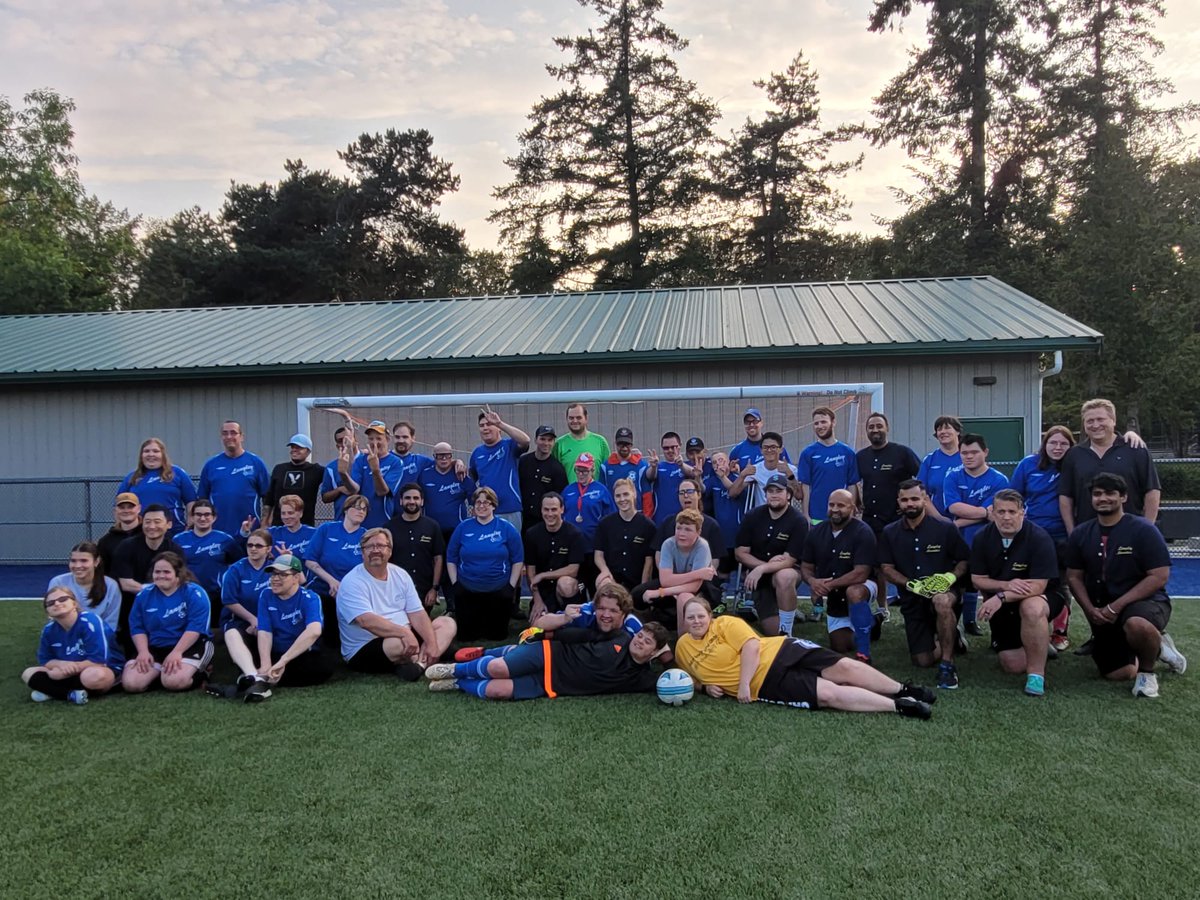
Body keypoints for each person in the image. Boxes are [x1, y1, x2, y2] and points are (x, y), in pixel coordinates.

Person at [674, 599, 933, 719]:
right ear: (683, 622)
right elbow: (688, 679)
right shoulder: (682, 648)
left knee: (841, 667)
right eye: (690, 617)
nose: (696, 621)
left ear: (710, 616)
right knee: (829, 694)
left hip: (780, 650)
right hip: (766, 683)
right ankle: (900, 706)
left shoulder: (725, 623)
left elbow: (751, 646)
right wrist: (705, 687)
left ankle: (904, 689)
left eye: (700, 616)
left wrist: (742, 684)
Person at [1065, 473, 1186, 699]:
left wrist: (1116, 606)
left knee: (1137, 625)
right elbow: (1074, 577)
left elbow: (1159, 576)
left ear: (1123, 497)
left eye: (1110, 493)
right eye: (1097, 494)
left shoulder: (1143, 530)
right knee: (1119, 673)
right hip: (1103, 609)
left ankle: (1148, 673)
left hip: (1143, 603)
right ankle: (1157, 645)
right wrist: (1090, 609)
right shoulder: (1081, 533)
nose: (1103, 498)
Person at [877, 479, 970, 689]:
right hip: (913, 599)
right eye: (904, 500)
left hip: (946, 592)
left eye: (915, 499)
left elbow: (964, 560)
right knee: (922, 661)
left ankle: (947, 666)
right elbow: (886, 567)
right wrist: (911, 585)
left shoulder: (945, 529)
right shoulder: (890, 532)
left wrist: (950, 578)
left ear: (925, 499)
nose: (910, 504)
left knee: (941, 602)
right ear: (898, 502)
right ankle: (952, 636)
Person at [423, 622, 669, 700]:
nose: (638, 641)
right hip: (551, 653)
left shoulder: (643, 677)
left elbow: (673, 681)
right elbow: (579, 634)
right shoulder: (619, 636)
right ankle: (455, 668)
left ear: (654, 652)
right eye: (640, 636)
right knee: (498, 668)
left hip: (552, 685)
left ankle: (458, 682)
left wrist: (703, 686)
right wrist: (544, 634)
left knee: (495, 690)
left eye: (647, 642)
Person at [970, 489, 1063, 697]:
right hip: (1005, 600)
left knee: (1031, 607)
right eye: (1001, 512)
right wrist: (1007, 585)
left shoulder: (1039, 537)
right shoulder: (982, 537)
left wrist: (1000, 597)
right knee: (1012, 666)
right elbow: (977, 579)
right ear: (992, 513)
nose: (1006, 517)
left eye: (1012, 512)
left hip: (1043, 597)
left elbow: (1038, 586)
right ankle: (1039, 642)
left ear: (1023, 512)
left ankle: (1036, 676)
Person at [208, 554, 331, 701]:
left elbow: (314, 631)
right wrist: (266, 663)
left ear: (296, 578)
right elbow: (265, 631)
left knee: (321, 668)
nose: (275, 578)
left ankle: (252, 683)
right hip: (274, 651)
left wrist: (283, 661)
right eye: (273, 574)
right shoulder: (266, 595)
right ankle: (258, 679)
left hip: (298, 653)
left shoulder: (310, 598)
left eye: (282, 575)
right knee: (234, 634)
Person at [338, 528, 458, 678]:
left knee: (447, 623)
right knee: (398, 644)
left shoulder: (400, 574)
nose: (375, 550)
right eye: (369, 547)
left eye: (381, 546)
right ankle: (430, 657)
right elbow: (366, 621)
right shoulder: (352, 581)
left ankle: (419, 665)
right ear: (362, 553)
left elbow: (418, 613)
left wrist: (431, 643)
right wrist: (405, 633)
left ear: (390, 551)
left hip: (404, 634)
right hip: (366, 646)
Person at [1010, 426, 1075, 650]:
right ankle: (1033, 630)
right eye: (1053, 443)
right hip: (1033, 536)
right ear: (1045, 444)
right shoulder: (1028, 464)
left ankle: (1059, 633)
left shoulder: (1074, 465)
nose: (1058, 448)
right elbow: (1014, 496)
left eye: (1063, 444)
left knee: (1062, 584)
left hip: (1063, 536)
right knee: (1032, 583)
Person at [1059, 399, 1161, 532]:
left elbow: (1152, 490)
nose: (1095, 425)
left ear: (1113, 420)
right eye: (1089, 421)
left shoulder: (1135, 449)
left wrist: (1147, 529)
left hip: (1130, 532)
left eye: (1101, 419)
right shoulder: (1074, 455)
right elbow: (1065, 497)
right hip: (1088, 534)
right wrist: (1072, 531)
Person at [943, 433, 1010, 636]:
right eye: (964, 453)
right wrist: (983, 513)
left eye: (974, 452)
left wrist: (960, 522)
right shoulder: (953, 476)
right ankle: (956, 627)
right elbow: (954, 506)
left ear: (985, 452)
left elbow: (995, 512)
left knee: (986, 585)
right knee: (958, 584)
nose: (968, 456)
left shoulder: (999, 479)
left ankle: (991, 630)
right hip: (958, 542)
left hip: (988, 541)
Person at [801, 489, 878, 660]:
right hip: (835, 595)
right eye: (832, 505)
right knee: (840, 646)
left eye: (841, 505)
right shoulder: (816, 532)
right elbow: (805, 566)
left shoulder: (863, 532)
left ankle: (863, 653)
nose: (835, 509)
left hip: (864, 586)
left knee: (854, 592)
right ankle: (870, 624)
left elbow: (861, 574)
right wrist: (813, 582)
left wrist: (828, 585)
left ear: (852, 508)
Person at [121, 552, 214, 693]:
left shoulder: (194, 593)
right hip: (156, 646)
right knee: (131, 684)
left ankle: (203, 672)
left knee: (174, 682)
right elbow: (137, 627)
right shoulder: (144, 595)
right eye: (157, 572)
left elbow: (195, 628)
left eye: (166, 572)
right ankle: (160, 672)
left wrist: (177, 652)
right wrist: (143, 652)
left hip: (189, 645)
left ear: (178, 574)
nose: (161, 575)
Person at [22, 586, 124, 704]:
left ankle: (53, 691)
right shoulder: (48, 630)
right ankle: (70, 695)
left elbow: (99, 660)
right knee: (28, 673)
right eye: (50, 603)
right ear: (48, 612)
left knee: (93, 676)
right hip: (69, 671)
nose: (57, 603)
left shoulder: (90, 621)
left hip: (103, 668)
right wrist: (62, 664)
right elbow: (45, 660)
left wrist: (65, 672)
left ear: (74, 603)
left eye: (63, 599)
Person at [734, 473, 807, 636]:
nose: (774, 495)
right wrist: (764, 567)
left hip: (786, 572)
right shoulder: (752, 516)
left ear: (788, 495)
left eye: (779, 491)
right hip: (760, 579)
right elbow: (740, 553)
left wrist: (762, 568)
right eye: (770, 491)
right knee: (771, 632)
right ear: (765, 494)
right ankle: (785, 612)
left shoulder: (798, 521)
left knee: (784, 576)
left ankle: (787, 631)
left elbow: (789, 560)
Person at [446, 486, 524, 641]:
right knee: (467, 637)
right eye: (478, 502)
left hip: (498, 589)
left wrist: (510, 587)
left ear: (494, 505)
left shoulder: (506, 528)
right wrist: (456, 584)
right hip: (468, 589)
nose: (481, 506)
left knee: (497, 636)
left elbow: (517, 559)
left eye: (486, 502)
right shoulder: (463, 528)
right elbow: (451, 557)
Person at [110, 504, 185, 651]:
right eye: (147, 522)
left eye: (157, 521)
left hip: (166, 603)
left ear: (168, 524)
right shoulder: (127, 546)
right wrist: (155, 589)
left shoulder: (175, 550)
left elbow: (177, 582)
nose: (152, 526)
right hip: (132, 604)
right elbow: (126, 584)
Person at [633, 508, 721, 632]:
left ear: (698, 532)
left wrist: (660, 592)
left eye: (688, 529)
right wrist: (698, 573)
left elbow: (694, 586)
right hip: (673, 583)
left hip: (700, 587)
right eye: (678, 528)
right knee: (638, 594)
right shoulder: (668, 544)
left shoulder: (703, 546)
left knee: (684, 597)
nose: (681, 533)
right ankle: (646, 623)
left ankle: (683, 639)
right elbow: (665, 580)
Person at [305, 493, 370, 648]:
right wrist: (331, 581)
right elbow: (309, 560)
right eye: (356, 507)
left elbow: (368, 568)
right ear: (346, 510)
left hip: (352, 591)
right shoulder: (327, 529)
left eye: (364, 509)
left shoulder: (366, 536)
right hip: (323, 588)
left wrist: (346, 586)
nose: (360, 511)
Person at [175, 497, 249, 628]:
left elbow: (240, 563)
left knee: (214, 631)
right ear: (191, 517)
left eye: (207, 514)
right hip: (186, 594)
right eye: (198, 514)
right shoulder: (179, 540)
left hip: (216, 596)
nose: (202, 518)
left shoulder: (225, 540)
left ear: (214, 517)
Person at [197, 420, 270, 536]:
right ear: (221, 437)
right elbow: (202, 500)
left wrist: (264, 524)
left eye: (233, 433)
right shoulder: (211, 465)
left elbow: (268, 498)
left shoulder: (255, 463)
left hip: (250, 530)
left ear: (241, 437)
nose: (229, 436)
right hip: (218, 531)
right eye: (225, 433)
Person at [857, 412, 922, 537]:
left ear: (887, 428)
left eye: (879, 426)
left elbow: (923, 478)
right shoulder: (860, 457)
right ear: (866, 431)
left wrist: (911, 502)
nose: (875, 430)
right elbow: (853, 482)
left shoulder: (903, 453)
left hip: (897, 521)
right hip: (869, 524)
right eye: (871, 427)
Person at [524, 492, 586, 621]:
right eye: (546, 509)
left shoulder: (574, 534)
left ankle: (571, 617)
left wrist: (543, 575)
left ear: (562, 509)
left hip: (567, 590)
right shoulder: (532, 534)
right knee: (537, 629)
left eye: (554, 509)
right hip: (543, 590)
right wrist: (537, 600)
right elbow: (531, 571)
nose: (550, 514)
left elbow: (573, 570)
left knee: (565, 583)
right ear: (541, 510)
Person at [116, 437, 197, 533]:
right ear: (141, 456)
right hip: (140, 532)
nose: (151, 454)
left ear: (163, 454)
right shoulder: (132, 477)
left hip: (174, 530)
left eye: (155, 451)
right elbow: (117, 505)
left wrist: (190, 521)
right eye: (146, 451)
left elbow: (191, 500)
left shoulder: (177, 473)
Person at [385, 483, 445, 611]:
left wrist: (434, 589)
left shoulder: (432, 526)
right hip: (396, 590)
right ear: (401, 501)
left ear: (422, 501)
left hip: (424, 590)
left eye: (416, 498)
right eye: (407, 498)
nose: (412, 501)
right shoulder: (389, 527)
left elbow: (438, 559)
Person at [219, 527, 274, 666]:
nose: (253, 549)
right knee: (236, 636)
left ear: (268, 549)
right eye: (250, 545)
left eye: (258, 545)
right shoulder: (236, 569)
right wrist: (252, 619)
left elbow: (300, 582)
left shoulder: (275, 567)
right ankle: (249, 674)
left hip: (269, 618)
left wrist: (288, 559)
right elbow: (228, 600)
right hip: (239, 620)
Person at [469, 407, 531, 529]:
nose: (485, 428)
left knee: (511, 546)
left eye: (489, 424)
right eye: (482, 426)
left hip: (510, 509)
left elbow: (525, 441)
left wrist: (500, 423)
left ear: (499, 429)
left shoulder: (509, 446)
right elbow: (472, 480)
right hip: (487, 511)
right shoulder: (477, 453)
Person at [797, 407, 859, 523]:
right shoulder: (808, 453)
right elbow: (805, 486)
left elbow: (852, 485)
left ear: (833, 422)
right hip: (816, 516)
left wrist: (851, 512)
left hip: (842, 515)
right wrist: (806, 514)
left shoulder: (847, 452)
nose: (820, 426)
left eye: (823, 422)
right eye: (816, 423)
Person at [593, 478, 657, 591]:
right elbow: (598, 555)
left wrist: (641, 589)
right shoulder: (605, 524)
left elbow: (649, 563)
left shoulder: (648, 526)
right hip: (611, 581)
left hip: (635, 583)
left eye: (626, 494)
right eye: (618, 496)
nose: (622, 499)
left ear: (634, 494)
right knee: (602, 581)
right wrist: (606, 572)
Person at [47, 540, 121, 632]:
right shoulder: (58, 582)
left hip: (99, 635)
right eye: (73, 561)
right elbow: (53, 617)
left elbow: (111, 623)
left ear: (96, 562)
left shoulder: (111, 586)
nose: (78, 566)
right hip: (66, 634)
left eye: (84, 561)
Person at [347, 420, 405, 529]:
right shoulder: (360, 460)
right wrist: (343, 474)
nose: (374, 442)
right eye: (371, 438)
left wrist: (375, 469)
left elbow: (382, 491)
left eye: (379, 438)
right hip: (361, 519)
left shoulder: (395, 462)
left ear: (387, 440)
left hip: (382, 520)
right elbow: (354, 489)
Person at [418, 441, 476, 541]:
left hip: (457, 529)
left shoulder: (461, 474)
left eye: (447, 455)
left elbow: (475, 499)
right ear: (434, 456)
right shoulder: (424, 475)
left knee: (454, 556)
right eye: (440, 456)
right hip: (432, 529)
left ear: (451, 456)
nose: (444, 459)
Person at [263, 433, 324, 526]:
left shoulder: (316, 470)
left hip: (305, 526)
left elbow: (333, 478)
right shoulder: (279, 469)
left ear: (308, 451)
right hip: (279, 525)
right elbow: (269, 499)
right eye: (292, 447)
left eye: (299, 447)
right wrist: (264, 522)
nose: (294, 450)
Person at [727, 431, 799, 510]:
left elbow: (799, 496)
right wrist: (742, 475)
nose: (769, 450)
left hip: (785, 516)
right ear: (761, 450)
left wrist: (790, 475)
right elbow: (732, 493)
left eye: (773, 447)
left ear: (781, 449)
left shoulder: (790, 469)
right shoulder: (755, 469)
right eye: (765, 447)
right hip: (762, 516)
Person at [644, 432, 702, 526]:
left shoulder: (688, 465)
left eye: (673, 447)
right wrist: (654, 466)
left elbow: (693, 473)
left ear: (679, 446)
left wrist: (681, 465)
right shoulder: (658, 466)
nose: (670, 450)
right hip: (661, 521)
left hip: (685, 520)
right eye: (666, 448)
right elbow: (649, 476)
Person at [518, 425, 569, 532]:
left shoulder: (557, 469)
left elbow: (560, 498)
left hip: (544, 522)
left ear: (554, 442)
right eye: (542, 439)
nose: (546, 443)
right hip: (522, 519)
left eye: (550, 440)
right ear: (536, 440)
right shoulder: (523, 462)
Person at [704, 451, 743, 577]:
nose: (717, 464)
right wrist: (698, 477)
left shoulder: (737, 478)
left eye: (721, 460)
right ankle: (721, 594)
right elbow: (702, 490)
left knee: (742, 570)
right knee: (722, 571)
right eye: (714, 462)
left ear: (728, 462)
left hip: (738, 532)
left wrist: (723, 477)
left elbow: (734, 491)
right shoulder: (712, 481)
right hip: (722, 535)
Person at [917, 415, 963, 521]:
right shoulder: (930, 460)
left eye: (947, 428)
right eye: (939, 429)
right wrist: (939, 519)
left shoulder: (968, 457)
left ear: (957, 432)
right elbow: (922, 493)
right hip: (936, 521)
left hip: (967, 522)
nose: (943, 432)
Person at [560, 452, 616, 540]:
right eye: (578, 470)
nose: (581, 474)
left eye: (585, 471)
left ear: (592, 470)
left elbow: (611, 517)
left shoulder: (601, 490)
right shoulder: (568, 490)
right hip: (570, 542)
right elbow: (560, 514)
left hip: (593, 542)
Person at [553, 402, 610, 482]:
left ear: (586, 418)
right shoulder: (559, 444)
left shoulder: (600, 442)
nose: (575, 421)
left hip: (595, 493)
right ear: (567, 419)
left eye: (578, 417)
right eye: (571, 418)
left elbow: (607, 472)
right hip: (569, 493)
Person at [268, 494, 318, 571]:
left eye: (290, 513)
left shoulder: (314, 533)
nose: (286, 517)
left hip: (306, 579)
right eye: (283, 513)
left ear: (300, 513)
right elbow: (253, 541)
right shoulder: (273, 532)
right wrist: (246, 532)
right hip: (281, 577)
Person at [96, 492, 142, 574]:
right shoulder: (106, 541)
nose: (126, 510)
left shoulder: (149, 535)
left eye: (130, 507)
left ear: (139, 509)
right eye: (122, 507)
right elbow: (103, 572)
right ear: (115, 510)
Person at [320, 426, 357, 520]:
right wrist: (339, 490)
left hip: (368, 519)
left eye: (347, 438)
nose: (345, 442)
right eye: (340, 440)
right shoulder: (331, 468)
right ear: (337, 446)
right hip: (342, 520)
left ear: (354, 439)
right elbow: (325, 497)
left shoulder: (368, 461)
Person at [602, 427, 648, 501]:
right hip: (613, 512)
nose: (624, 448)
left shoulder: (642, 466)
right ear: (616, 444)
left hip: (636, 511)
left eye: (627, 444)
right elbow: (602, 494)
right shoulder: (605, 467)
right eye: (621, 444)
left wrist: (646, 513)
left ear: (632, 444)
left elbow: (647, 493)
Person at [391, 420, 436, 484]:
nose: (401, 441)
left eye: (405, 437)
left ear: (413, 439)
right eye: (397, 437)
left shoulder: (420, 461)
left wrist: (454, 462)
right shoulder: (384, 459)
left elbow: (443, 463)